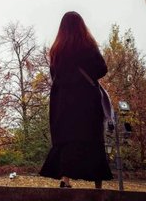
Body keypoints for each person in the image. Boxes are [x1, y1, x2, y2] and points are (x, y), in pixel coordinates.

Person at [39, 11, 113, 188]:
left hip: (62, 101)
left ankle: (65, 179)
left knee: (67, 139)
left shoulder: (57, 50)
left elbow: (53, 75)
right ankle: (98, 184)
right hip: (86, 100)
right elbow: (101, 69)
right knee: (92, 138)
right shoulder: (87, 46)